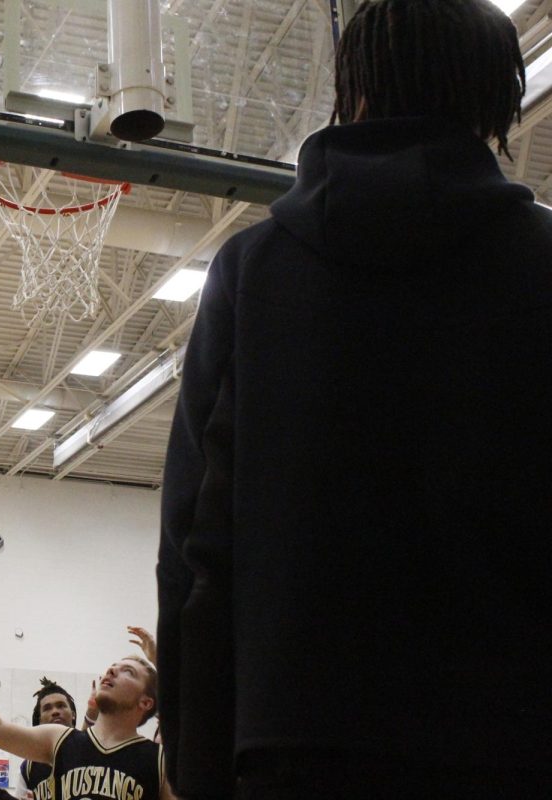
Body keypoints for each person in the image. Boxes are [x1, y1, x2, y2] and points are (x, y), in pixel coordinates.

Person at [156, 1, 552, 797]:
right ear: (496, 103)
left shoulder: (253, 270)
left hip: (291, 748)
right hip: (517, 743)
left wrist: (200, 763)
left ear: (355, 90)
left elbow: (197, 538)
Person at [0, 638, 170, 800]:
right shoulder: (61, 739)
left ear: (146, 702)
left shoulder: (160, 761)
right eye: (113, 667)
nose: (111, 671)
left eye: (128, 672)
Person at [12, 679, 77, 799]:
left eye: (61, 706)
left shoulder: (89, 751)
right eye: (47, 708)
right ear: (39, 721)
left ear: (73, 714)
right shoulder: (29, 767)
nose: (55, 711)